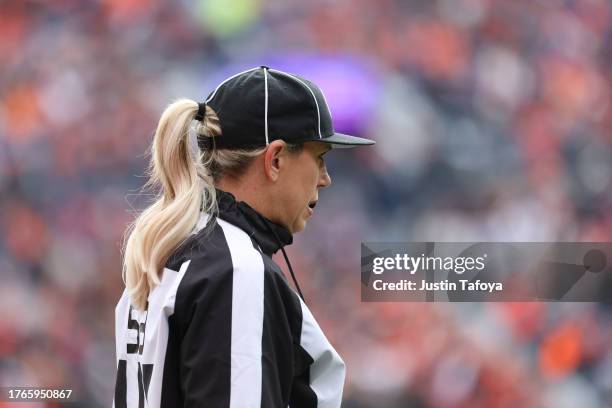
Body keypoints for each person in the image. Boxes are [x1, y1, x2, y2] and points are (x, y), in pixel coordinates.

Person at [113, 66, 374, 408]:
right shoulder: (236, 270)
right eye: (319, 158)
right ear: (276, 159)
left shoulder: (169, 251)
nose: (325, 179)